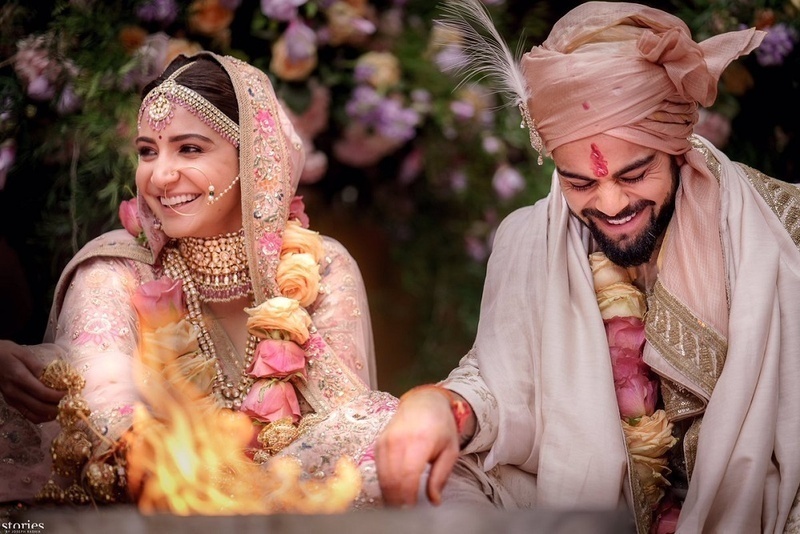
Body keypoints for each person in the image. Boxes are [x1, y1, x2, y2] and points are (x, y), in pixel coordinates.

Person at [375, 2, 800, 533]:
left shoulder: (779, 230)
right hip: (601, 509)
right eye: (580, 183)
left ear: (676, 148)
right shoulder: (530, 237)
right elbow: (500, 382)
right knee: (434, 477)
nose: (611, 202)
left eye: (636, 172)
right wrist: (439, 406)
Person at [0, 52, 396, 508]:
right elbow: (106, 404)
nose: (161, 175)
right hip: (153, 496)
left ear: (255, 159)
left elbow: (345, 424)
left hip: (298, 501)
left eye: (189, 148)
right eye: (148, 151)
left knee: (386, 428)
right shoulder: (114, 270)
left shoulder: (322, 269)